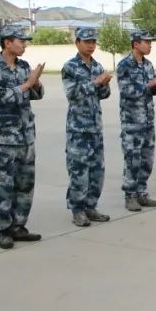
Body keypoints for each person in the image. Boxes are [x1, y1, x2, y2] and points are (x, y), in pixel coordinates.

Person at [0, 25, 45, 249]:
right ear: (7, 43)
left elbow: (37, 95)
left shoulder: (24, 66)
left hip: (26, 136)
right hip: (3, 139)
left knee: (25, 184)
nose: (24, 44)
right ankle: (4, 229)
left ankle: (19, 225)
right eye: (21, 41)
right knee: (4, 185)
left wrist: (36, 83)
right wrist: (27, 84)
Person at [62, 26, 112, 227]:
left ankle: (91, 206)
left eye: (93, 42)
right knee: (79, 170)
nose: (91, 45)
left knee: (96, 170)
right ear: (77, 43)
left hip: (95, 127)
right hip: (78, 129)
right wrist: (95, 83)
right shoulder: (70, 67)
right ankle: (77, 209)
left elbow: (103, 95)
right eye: (87, 42)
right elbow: (72, 94)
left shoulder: (97, 66)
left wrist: (104, 85)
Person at [116, 29, 156, 211]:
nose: (150, 45)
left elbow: (151, 91)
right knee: (132, 160)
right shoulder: (124, 65)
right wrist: (147, 86)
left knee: (147, 159)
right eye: (146, 42)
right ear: (136, 44)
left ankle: (142, 192)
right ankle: (130, 195)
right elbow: (126, 91)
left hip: (147, 120)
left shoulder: (148, 65)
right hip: (132, 122)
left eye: (150, 42)